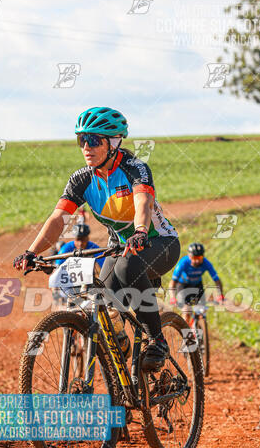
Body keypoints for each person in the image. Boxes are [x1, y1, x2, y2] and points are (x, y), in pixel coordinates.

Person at [13, 106, 180, 372]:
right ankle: (122, 374)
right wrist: (31, 252)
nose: (86, 147)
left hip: (159, 242)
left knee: (127, 264)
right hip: (121, 250)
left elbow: (143, 202)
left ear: (113, 142)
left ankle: (157, 340)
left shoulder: (134, 168)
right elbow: (58, 218)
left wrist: (139, 231)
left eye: (93, 140)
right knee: (102, 305)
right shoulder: (82, 179)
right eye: (82, 140)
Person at [168, 243, 223, 326]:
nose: (197, 261)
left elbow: (217, 281)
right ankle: (185, 334)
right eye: (195, 258)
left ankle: (199, 330)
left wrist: (220, 295)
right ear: (189, 256)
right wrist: (172, 297)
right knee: (187, 312)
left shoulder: (206, 263)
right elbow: (173, 282)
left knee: (202, 311)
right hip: (182, 286)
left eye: (200, 258)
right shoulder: (183, 263)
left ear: (203, 256)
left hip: (197, 285)